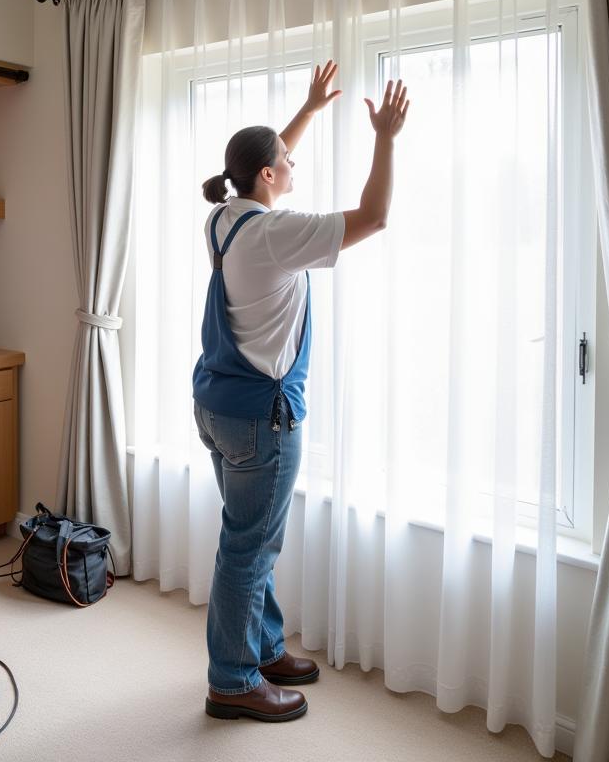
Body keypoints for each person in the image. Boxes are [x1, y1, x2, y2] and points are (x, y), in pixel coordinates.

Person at [193, 62, 409, 722]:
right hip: (263, 417)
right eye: (288, 161)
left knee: (253, 535)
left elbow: (260, 161)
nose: (294, 164)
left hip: (217, 404)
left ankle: (259, 646)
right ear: (266, 176)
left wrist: (309, 110)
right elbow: (374, 216)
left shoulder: (223, 221)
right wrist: (386, 137)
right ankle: (232, 680)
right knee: (249, 546)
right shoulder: (276, 234)